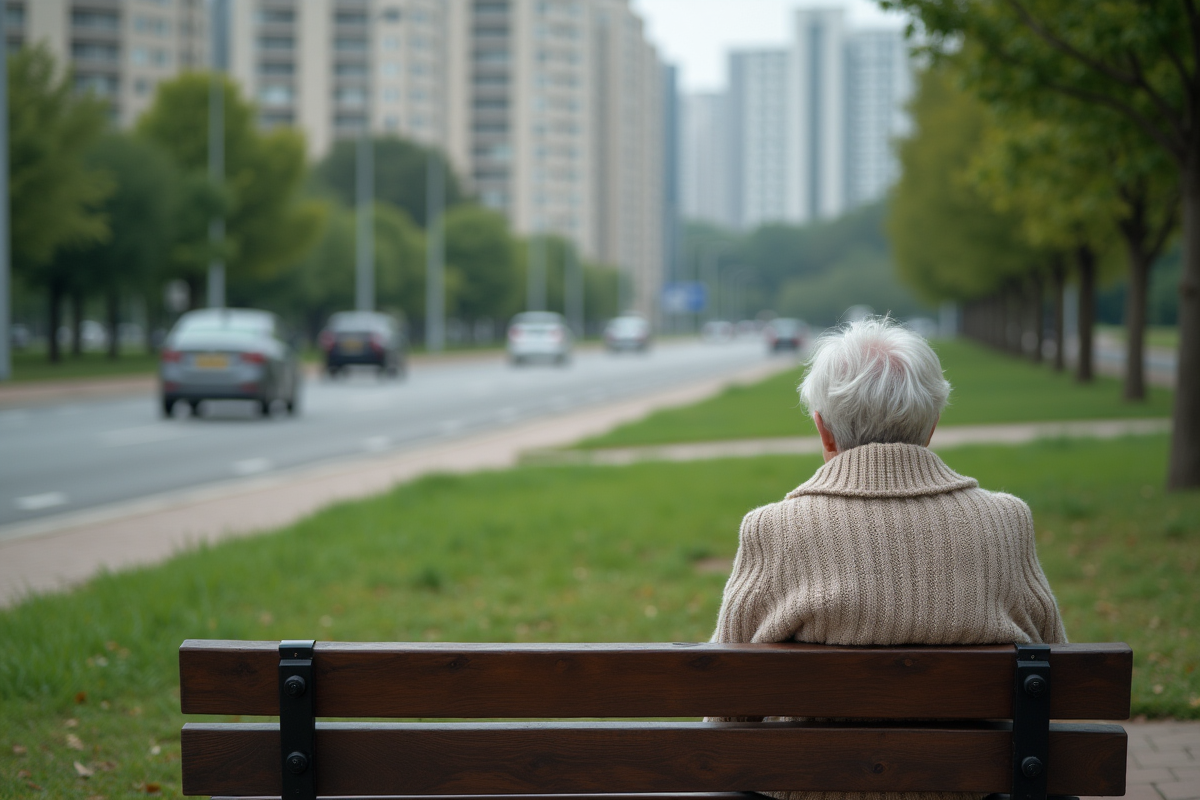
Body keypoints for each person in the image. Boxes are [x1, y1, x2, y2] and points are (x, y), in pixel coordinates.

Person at [711, 317, 1066, 800]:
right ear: (932, 424)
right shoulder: (1005, 522)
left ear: (824, 430)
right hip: (969, 790)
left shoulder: (774, 530)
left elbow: (726, 705)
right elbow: (1056, 676)